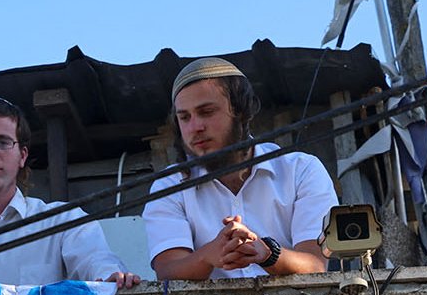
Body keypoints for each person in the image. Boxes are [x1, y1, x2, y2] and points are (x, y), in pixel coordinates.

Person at [0, 98, 140, 288]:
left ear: (22, 155)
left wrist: (111, 276)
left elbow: (96, 261)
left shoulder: (63, 221)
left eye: (3, 142)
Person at [145, 57, 338, 280]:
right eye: (184, 117)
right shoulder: (169, 184)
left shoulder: (301, 170)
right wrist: (208, 255)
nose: (195, 127)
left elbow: (315, 264)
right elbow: (167, 271)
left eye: (206, 112)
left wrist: (267, 253)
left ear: (241, 111)